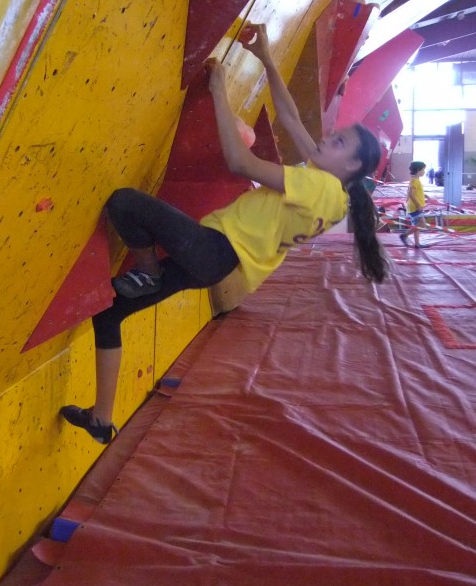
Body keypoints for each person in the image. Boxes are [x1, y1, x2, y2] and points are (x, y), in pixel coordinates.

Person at [60, 23, 389, 444]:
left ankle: (148, 272)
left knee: (125, 202)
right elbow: (289, 117)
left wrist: (219, 91)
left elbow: (240, 162)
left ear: (351, 167)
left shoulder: (319, 186)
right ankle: (101, 420)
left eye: (339, 143)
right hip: (214, 262)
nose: (328, 139)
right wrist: (267, 58)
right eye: (335, 134)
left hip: (212, 249)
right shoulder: (333, 193)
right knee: (109, 313)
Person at [400, 161, 427, 248]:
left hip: (413, 206)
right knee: (422, 224)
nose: (424, 172)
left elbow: (413, 193)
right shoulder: (415, 180)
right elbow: (411, 194)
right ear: (418, 170)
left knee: (416, 226)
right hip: (415, 207)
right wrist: (418, 204)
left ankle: (417, 244)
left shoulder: (415, 180)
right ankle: (405, 235)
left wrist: (426, 196)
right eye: (423, 170)